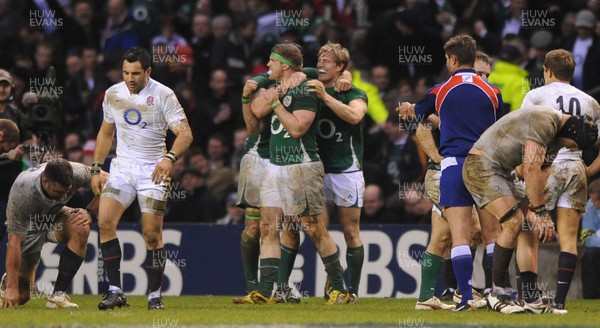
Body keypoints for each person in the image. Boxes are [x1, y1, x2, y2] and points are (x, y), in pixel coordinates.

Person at [398, 35, 504, 311]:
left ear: (454, 59)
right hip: (484, 164)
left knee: (458, 235)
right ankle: (496, 293)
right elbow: (498, 131)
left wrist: (408, 109)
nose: (446, 63)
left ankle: (466, 297)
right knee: (491, 234)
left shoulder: (441, 90)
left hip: (453, 164)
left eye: (446, 58)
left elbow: (417, 115)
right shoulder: (493, 92)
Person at [462, 106, 598, 314]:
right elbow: (531, 169)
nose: (572, 149)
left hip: (504, 171)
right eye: (574, 146)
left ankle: (529, 296)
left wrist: (537, 212)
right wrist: (543, 212)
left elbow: (534, 169)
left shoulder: (557, 134)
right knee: (513, 221)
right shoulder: (545, 122)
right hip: (482, 165)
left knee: (528, 226)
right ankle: (498, 292)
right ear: (572, 134)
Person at [92, 47, 193, 310]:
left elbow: (185, 134)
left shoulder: (163, 94)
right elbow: (105, 133)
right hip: (123, 168)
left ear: (148, 71)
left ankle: (154, 295)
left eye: (136, 73)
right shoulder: (113, 94)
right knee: (104, 223)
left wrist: (169, 158)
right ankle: (115, 291)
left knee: (151, 234)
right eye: (125, 72)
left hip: (153, 170)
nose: (130, 78)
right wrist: (95, 167)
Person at [249, 43, 347, 304]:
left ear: (284, 64)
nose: (267, 65)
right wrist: (276, 91)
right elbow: (257, 110)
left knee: (314, 227)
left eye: (271, 61)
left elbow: (297, 129)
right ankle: (265, 291)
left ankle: (340, 288)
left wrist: (277, 103)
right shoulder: (278, 86)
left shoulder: (307, 90)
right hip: (275, 166)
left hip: (301, 165)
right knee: (268, 226)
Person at [276, 42, 367, 304]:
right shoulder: (308, 83)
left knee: (351, 230)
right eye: (320, 58)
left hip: (346, 170)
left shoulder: (353, 93)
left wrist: (327, 97)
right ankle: (294, 286)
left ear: (340, 67)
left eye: (328, 61)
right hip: (314, 168)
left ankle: (353, 291)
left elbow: (354, 117)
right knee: (310, 227)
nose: (322, 63)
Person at [520, 49, 600, 312]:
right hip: (576, 166)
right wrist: (587, 171)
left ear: (548, 70)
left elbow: (524, 139)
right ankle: (559, 302)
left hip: (546, 166)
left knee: (528, 230)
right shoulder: (590, 101)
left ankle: (529, 297)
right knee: (568, 237)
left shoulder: (536, 95)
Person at [1, 159, 98, 308]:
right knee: (21, 296)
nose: (64, 196)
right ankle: (8, 282)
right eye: (59, 192)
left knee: (81, 227)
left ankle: (57, 296)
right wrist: (12, 288)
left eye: (67, 191)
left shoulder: (77, 172)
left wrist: (90, 211)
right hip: (29, 225)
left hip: (55, 215)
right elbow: (14, 242)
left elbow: (110, 182)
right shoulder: (23, 193)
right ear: (45, 182)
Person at [580, 179, 600, 299]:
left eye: (597, 201)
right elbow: (587, 237)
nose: (594, 204)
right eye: (592, 200)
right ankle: (591, 297)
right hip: (597, 249)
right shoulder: (590, 206)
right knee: (589, 255)